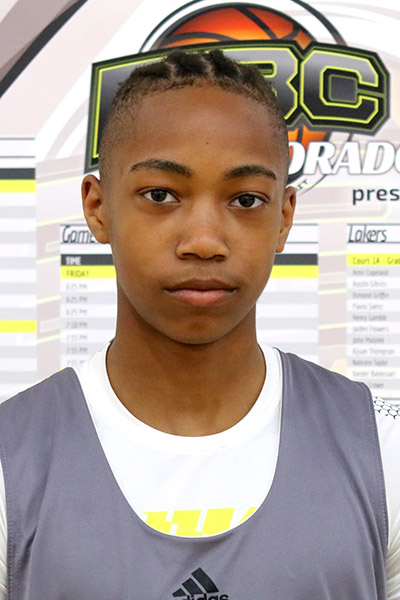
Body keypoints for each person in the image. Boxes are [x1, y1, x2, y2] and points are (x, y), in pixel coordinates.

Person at [0, 49, 398, 599]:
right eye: (161, 195)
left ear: (284, 218)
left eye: (245, 199)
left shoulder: (383, 451)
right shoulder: (11, 462)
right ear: (97, 207)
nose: (205, 241)